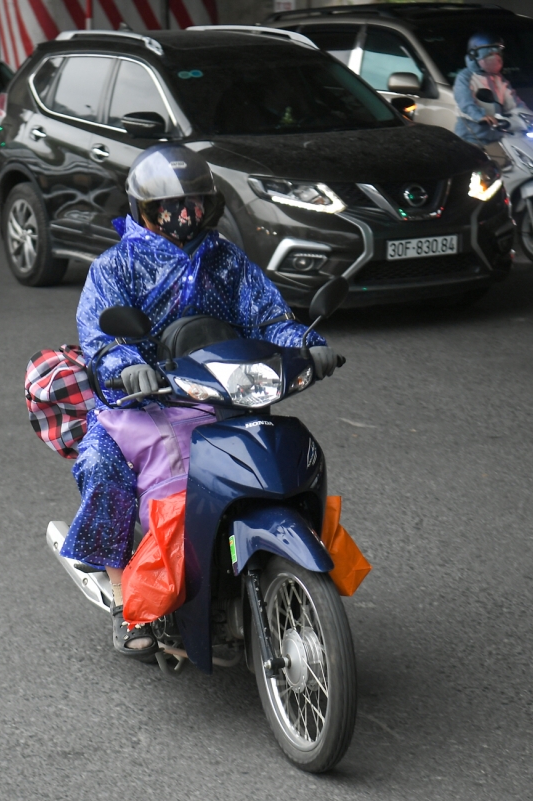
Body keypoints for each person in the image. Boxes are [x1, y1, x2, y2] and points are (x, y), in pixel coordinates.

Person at [64, 145, 340, 656]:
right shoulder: (116, 266)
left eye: (192, 204)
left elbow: (270, 317)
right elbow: (99, 340)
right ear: (143, 209)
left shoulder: (226, 259)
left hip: (224, 394)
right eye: (168, 206)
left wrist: (307, 344)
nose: (181, 216)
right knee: (103, 466)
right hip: (142, 402)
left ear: (208, 206)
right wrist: (126, 366)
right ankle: (130, 603)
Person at [453, 32, 533, 163]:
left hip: (498, 137)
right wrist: (480, 116)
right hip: (472, 138)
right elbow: (465, 103)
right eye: (490, 54)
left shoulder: (498, 78)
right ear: (475, 56)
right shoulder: (465, 78)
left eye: (498, 54)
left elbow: (513, 102)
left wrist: (531, 116)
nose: (496, 58)